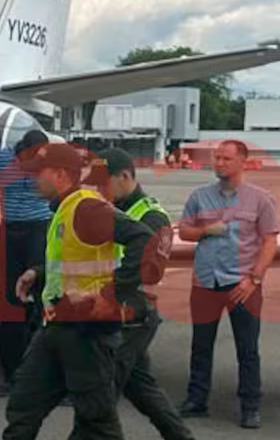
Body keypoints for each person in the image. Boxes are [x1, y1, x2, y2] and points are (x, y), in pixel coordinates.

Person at [2, 142, 153, 440]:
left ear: (59, 174)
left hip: (87, 332)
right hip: (57, 325)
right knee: (23, 404)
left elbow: (143, 239)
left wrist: (112, 293)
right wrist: (39, 273)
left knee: (96, 421)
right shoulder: (64, 208)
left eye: (38, 172)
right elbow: (74, 256)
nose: (33, 179)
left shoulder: (86, 206)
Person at [90, 148, 195, 440]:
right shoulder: (110, 208)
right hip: (111, 310)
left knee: (101, 393)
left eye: (104, 182)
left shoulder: (151, 216)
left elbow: (147, 268)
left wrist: (110, 292)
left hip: (132, 314)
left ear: (125, 176)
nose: (100, 189)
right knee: (142, 387)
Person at [176, 139, 278, 429]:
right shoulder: (199, 197)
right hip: (206, 281)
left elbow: (270, 240)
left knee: (247, 349)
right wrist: (205, 230)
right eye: (216, 158)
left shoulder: (260, 199)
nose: (219, 163)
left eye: (225, 159)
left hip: (242, 284)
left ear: (242, 162)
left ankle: (250, 406)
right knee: (201, 345)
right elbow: (184, 231)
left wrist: (254, 279)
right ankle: (196, 400)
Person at [0, 129, 55, 397]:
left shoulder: (50, 163)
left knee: (44, 303)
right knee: (10, 306)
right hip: (11, 233)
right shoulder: (0, 159)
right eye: (29, 162)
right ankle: (12, 376)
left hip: (40, 231)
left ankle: (46, 378)